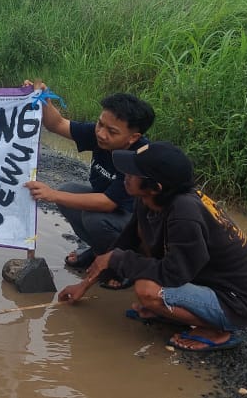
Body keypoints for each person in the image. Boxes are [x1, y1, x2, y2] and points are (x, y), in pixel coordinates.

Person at [57, 141, 247, 352]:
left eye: (133, 173)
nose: (125, 175)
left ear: (156, 187)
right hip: (200, 279)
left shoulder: (185, 213)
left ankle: (217, 330)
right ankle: (172, 312)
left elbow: (174, 273)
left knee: (147, 292)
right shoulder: (149, 199)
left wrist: (118, 260)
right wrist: (84, 284)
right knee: (139, 252)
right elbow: (126, 242)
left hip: (235, 304)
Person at [24, 88, 154, 280]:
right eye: (100, 124)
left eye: (111, 131)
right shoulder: (100, 134)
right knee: (68, 191)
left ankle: (122, 267)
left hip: (140, 225)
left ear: (133, 137)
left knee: (94, 219)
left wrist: (51, 194)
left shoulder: (139, 158)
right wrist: (42, 97)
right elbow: (56, 124)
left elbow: (108, 203)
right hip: (113, 211)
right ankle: (99, 252)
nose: (101, 134)